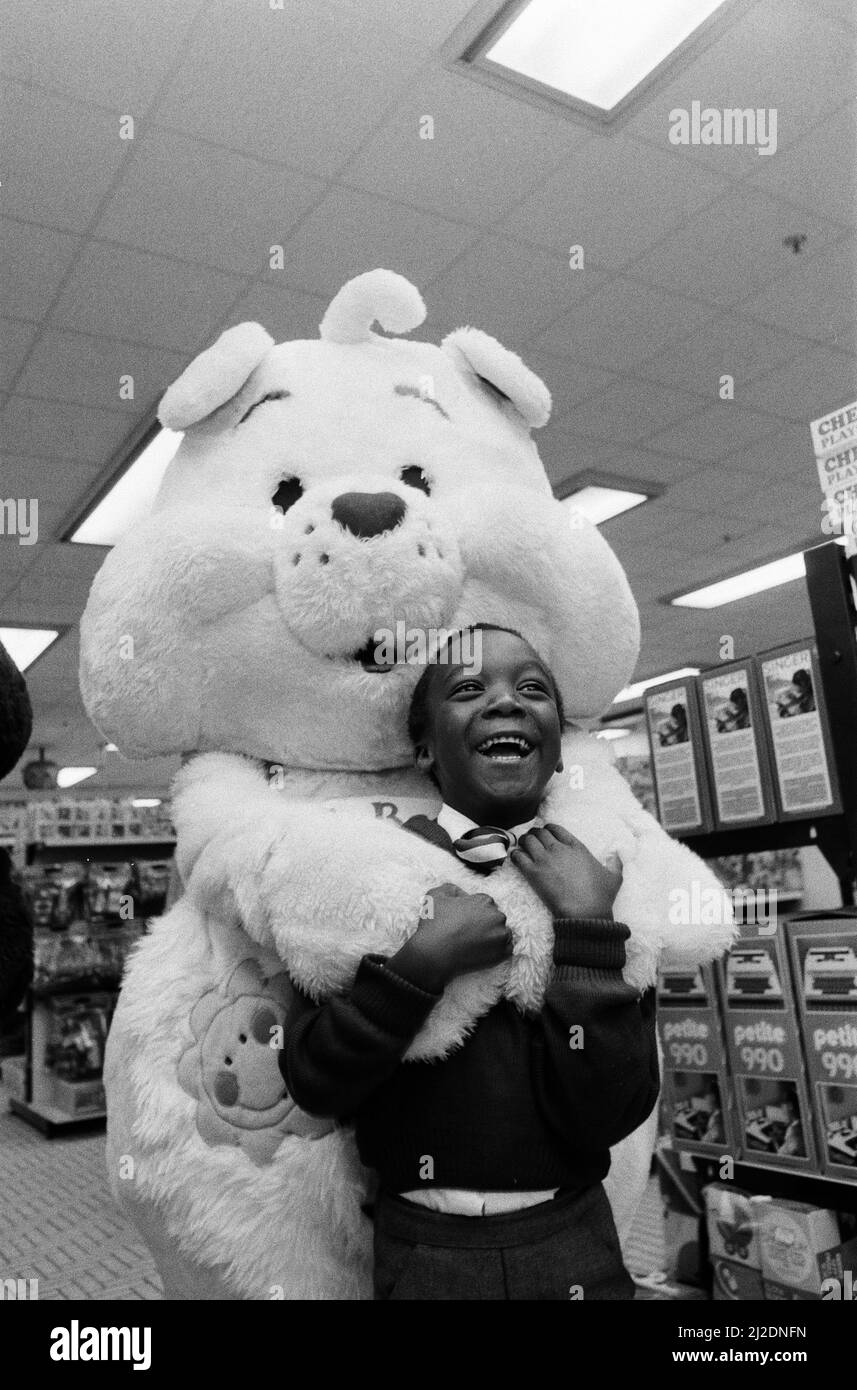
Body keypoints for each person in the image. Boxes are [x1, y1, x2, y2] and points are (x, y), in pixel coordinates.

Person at [280, 625, 659, 1300]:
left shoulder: (603, 873)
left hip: (572, 1241)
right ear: (424, 744)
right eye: (467, 689)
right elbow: (313, 1081)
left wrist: (588, 931)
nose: (506, 701)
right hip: (423, 1254)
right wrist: (417, 968)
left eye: (533, 688)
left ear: (556, 737)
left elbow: (612, 1110)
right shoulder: (367, 876)